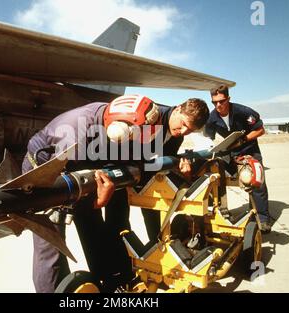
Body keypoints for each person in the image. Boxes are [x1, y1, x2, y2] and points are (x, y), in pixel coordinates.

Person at [23, 95, 209, 292]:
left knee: (93, 228)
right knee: (50, 242)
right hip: (45, 173)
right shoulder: (78, 134)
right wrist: (97, 199)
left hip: (84, 165)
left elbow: (125, 154)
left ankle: (108, 282)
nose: (183, 132)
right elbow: (72, 177)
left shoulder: (125, 120)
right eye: (183, 125)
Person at [204, 85, 271, 233]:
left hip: (249, 150)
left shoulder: (243, 112)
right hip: (229, 152)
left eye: (221, 101)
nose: (218, 105)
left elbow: (260, 130)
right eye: (214, 102)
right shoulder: (212, 117)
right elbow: (208, 136)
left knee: (256, 180)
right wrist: (211, 147)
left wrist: (243, 140)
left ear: (228, 99)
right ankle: (222, 209)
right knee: (215, 175)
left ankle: (262, 218)